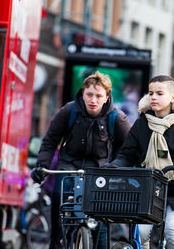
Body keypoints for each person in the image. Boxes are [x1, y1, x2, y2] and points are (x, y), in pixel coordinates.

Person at [107, 75, 174, 249]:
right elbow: (126, 155)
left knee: (172, 229)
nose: (153, 97)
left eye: (159, 93)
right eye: (150, 93)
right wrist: (115, 166)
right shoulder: (140, 125)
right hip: (149, 190)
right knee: (140, 234)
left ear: (173, 97)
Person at [30, 71, 131, 249]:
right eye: (89, 94)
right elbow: (50, 140)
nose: (93, 100)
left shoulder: (117, 118)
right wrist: (42, 166)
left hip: (100, 170)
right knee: (58, 195)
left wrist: (116, 168)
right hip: (68, 165)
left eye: (98, 96)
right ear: (82, 93)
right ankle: (57, 241)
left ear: (107, 97)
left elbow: (129, 149)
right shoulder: (69, 111)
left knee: (101, 221)